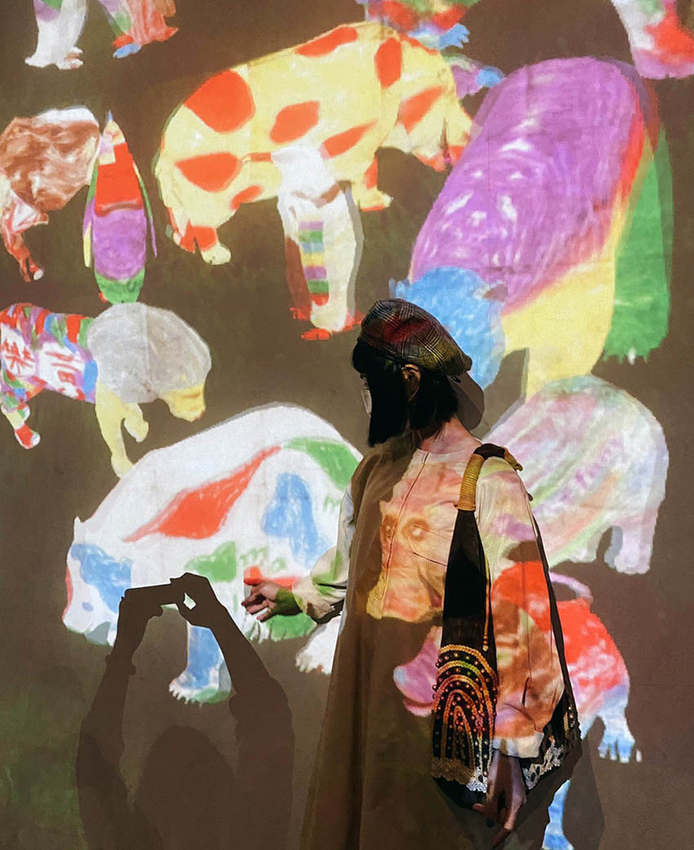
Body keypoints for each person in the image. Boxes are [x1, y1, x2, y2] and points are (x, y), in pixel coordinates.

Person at [243, 299, 578, 849]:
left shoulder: (489, 481)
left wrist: (511, 748)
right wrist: (293, 595)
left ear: (410, 379)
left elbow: (524, 617)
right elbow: (351, 566)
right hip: (363, 705)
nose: (366, 396)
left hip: (435, 732)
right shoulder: (375, 471)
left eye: (370, 383)